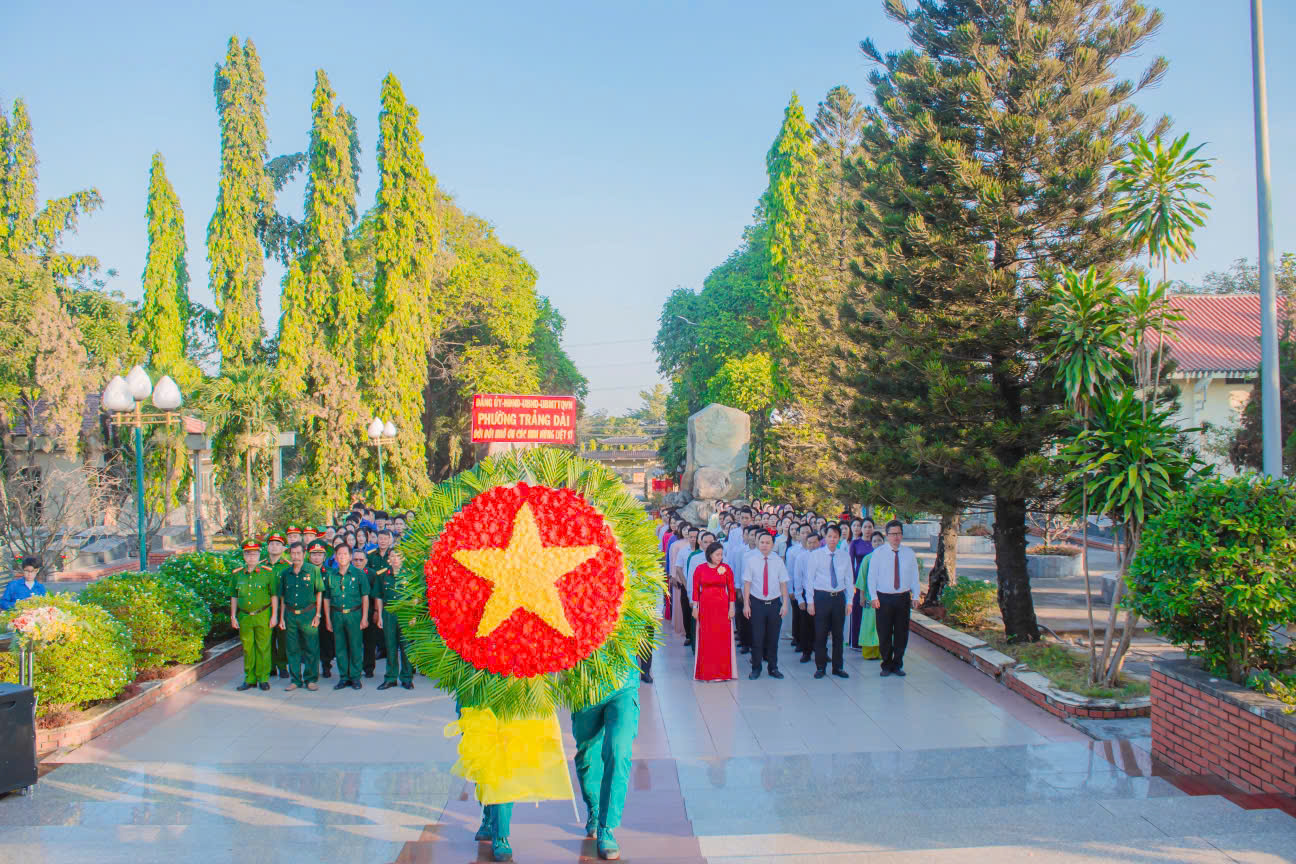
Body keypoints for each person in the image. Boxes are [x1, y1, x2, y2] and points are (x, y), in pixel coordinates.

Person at [572, 665, 640, 860]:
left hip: (622, 683)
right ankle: (594, 808)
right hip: (585, 683)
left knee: (619, 751)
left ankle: (606, 826)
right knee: (587, 754)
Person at [866, 519, 921, 676]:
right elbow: (872, 577)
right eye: (892, 534)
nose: (896, 537)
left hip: (902, 597)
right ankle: (886, 664)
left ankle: (898, 663)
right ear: (887, 535)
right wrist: (874, 597)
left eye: (898, 534)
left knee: (901, 632)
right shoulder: (878, 553)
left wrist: (916, 595)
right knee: (884, 632)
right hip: (883, 598)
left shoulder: (909, 553)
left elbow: (914, 576)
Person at [806, 524, 855, 680]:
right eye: (829, 536)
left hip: (838, 597)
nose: (832, 539)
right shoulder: (816, 555)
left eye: (835, 536)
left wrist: (849, 601)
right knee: (820, 634)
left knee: (838, 635)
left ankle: (838, 667)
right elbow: (809, 579)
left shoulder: (844, 556)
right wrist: (810, 601)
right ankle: (820, 667)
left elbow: (849, 579)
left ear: (839, 538)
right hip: (821, 597)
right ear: (824, 538)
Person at [230, 540, 278, 691]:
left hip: (263, 614)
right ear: (244, 556)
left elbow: (274, 596)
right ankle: (249, 678)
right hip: (244, 616)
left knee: (263, 647)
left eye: (255, 554)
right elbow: (234, 596)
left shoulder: (267, 573)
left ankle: (263, 678)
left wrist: (274, 615)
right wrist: (233, 616)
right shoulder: (237, 575)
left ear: (259, 555)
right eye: (248, 554)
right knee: (247, 647)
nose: (252, 557)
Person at [741, 531, 789, 680]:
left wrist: (785, 604)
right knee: (757, 638)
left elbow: (783, 584)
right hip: (757, 603)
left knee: (773, 638)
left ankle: (773, 668)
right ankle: (756, 668)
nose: (764, 545)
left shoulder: (778, 561)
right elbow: (747, 583)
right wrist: (746, 605)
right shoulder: (751, 560)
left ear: (773, 545)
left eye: (768, 543)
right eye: (762, 542)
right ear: (757, 543)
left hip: (774, 603)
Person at [278, 541, 324, 691]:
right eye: (293, 553)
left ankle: (310, 679)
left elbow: (319, 592)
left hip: (308, 614)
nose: (296, 556)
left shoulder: (312, 571)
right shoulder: (285, 573)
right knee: (292, 648)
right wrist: (281, 618)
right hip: (290, 615)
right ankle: (295, 679)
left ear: (304, 554)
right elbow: (283, 597)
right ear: (289, 554)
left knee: (311, 647)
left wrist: (318, 614)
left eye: (299, 553)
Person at [326, 543, 370, 690]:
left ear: (350, 557)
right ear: (335, 557)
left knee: (356, 646)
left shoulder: (359, 574)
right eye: (339, 554)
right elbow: (326, 599)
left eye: (345, 554)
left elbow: (365, 597)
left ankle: (355, 677)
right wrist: (327, 619)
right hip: (337, 614)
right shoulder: (330, 574)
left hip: (354, 614)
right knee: (340, 647)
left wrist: (364, 618)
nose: (342, 557)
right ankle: (343, 677)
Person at [691, 541, 736, 682]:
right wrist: (695, 607)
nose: (720, 557)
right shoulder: (700, 569)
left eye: (721, 555)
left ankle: (723, 672)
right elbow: (695, 589)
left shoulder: (726, 568)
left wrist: (732, 607)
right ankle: (707, 672)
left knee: (722, 639)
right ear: (710, 554)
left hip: (722, 607)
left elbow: (731, 589)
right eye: (717, 554)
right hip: (706, 607)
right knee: (706, 638)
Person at [375, 548, 414, 690]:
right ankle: (390, 678)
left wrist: (414, 615)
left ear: (403, 558)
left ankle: (407, 678)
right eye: (392, 556)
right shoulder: (383, 575)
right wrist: (379, 616)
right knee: (390, 646)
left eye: (398, 556)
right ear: (388, 559)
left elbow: (416, 597)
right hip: (389, 613)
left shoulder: (409, 575)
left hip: (406, 613)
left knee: (406, 647)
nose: (395, 559)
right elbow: (379, 596)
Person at [363, 529, 396, 678]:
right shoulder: (371, 556)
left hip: (391, 600)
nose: (382, 541)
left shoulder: (395, 556)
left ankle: (406, 672)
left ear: (390, 540)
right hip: (372, 598)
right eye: (380, 538)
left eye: (385, 538)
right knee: (373, 634)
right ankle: (370, 667)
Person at [261, 532, 291, 679]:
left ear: (284, 548)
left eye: (278, 544)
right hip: (266, 608)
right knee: (268, 638)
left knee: (283, 638)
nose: (274, 547)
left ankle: (282, 665)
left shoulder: (288, 566)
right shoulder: (260, 566)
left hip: (283, 607)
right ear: (267, 547)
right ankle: (271, 666)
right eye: (272, 544)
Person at [307, 540, 337, 678]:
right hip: (308, 611)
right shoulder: (304, 572)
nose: (316, 557)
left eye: (319, 554)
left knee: (326, 640)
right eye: (313, 554)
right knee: (310, 641)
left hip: (326, 612)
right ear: (309, 556)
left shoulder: (331, 572)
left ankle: (326, 665)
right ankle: (311, 668)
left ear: (324, 557)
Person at [855, 530, 885, 659]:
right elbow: (862, 578)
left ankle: (883, 651)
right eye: (874, 541)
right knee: (870, 624)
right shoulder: (867, 559)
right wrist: (862, 596)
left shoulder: (888, 558)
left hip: (885, 596)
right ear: (871, 544)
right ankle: (869, 652)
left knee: (884, 624)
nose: (877, 543)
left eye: (879, 540)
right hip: (869, 596)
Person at [847, 518, 875, 649]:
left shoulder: (877, 542)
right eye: (865, 527)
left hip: (874, 581)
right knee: (858, 609)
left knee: (871, 610)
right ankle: (856, 641)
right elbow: (850, 563)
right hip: (859, 580)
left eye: (870, 527)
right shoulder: (855, 543)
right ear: (861, 529)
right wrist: (852, 582)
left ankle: (871, 641)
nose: (868, 530)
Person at [794, 531, 820, 662]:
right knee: (806, 625)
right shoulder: (801, 557)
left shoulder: (824, 556)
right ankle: (806, 652)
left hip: (821, 594)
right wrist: (800, 598)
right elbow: (798, 578)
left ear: (819, 542)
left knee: (822, 625)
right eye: (809, 543)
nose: (812, 545)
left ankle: (822, 652)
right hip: (805, 593)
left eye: (814, 542)